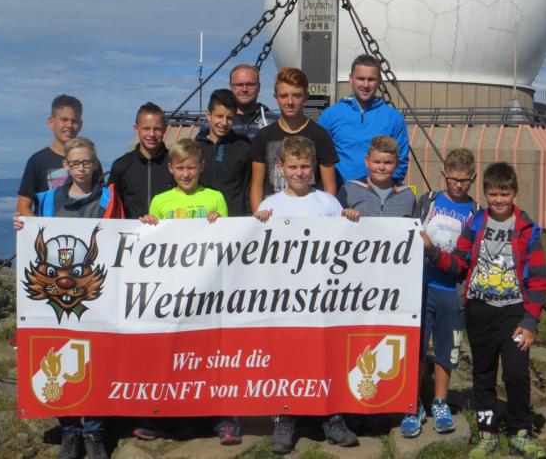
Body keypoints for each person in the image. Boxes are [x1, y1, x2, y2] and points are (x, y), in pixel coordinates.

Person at [424, 162, 546, 459]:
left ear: (515, 193)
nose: (498, 200)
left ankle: (520, 431)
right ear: (485, 194)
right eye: (493, 194)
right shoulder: (476, 223)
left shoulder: (527, 229)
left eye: (504, 194)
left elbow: (539, 279)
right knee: (483, 374)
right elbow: (459, 263)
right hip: (479, 311)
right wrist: (433, 251)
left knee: (516, 373)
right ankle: (487, 432)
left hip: (514, 314)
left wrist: (530, 321)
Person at [254, 136, 359, 454]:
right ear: (280, 167)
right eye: (292, 167)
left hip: (323, 298)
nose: (299, 172)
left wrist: (351, 221)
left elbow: (347, 243)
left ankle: (332, 417)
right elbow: (256, 251)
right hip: (283, 301)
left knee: (326, 355)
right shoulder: (269, 205)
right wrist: (258, 223)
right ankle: (284, 419)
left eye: (304, 166)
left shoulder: (327, 202)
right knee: (286, 357)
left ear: (314, 166)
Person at [13, 137, 113, 459]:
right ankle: (71, 430)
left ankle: (94, 431)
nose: (82, 168)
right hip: (55, 298)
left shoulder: (110, 197)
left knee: (99, 360)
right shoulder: (47, 199)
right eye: (76, 163)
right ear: (66, 166)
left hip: (96, 294)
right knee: (58, 357)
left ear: (95, 164)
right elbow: (33, 232)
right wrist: (22, 225)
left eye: (87, 162)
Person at [139, 138, 238, 445]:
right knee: (171, 356)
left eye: (191, 168)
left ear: (201, 167)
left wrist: (219, 223)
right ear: (170, 168)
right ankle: (160, 417)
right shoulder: (160, 201)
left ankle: (226, 419)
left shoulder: (215, 197)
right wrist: (148, 224)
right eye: (180, 168)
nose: (186, 173)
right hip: (172, 294)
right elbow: (150, 248)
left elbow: (228, 240)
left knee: (214, 357)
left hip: (209, 293)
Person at [399, 148, 479, 438]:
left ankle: (440, 402)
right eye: (453, 179)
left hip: (452, 291)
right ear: (444, 175)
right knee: (417, 347)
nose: (458, 185)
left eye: (464, 180)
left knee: (446, 349)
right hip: (422, 286)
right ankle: (413, 404)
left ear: (473, 178)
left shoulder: (476, 212)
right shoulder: (428, 201)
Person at [250, 67, 338, 211]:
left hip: (311, 213)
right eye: (284, 96)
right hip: (273, 215)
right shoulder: (263, 137)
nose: (290, 102)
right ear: (276, 98)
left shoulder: (320, 135)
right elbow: (256, 186)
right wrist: (258, 218)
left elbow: (330, 187)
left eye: (296, 95)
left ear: (306, 96)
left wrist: (326, 217)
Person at [318, 54, 409, 186]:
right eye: (360, 78)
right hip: (340, 194)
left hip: (379, 194)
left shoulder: (394, 118)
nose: (365, 85)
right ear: (351, 79)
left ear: (379, 81)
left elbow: (401, 159)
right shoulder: (330, 115)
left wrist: (384, 190)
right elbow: (319, 157)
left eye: (371, 79)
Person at [17, 94, 103, 216]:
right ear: (51, 122)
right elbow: (23, 207)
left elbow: (100, 199)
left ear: (80, 125)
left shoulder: (90, 161)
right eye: (64, 120)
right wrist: (41, 227)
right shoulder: (37, 161)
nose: (69, 125)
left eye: (74, 121)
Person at [108, 102, 173, 219]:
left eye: (157, 129)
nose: (152, 134)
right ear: (136, 129)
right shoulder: (120, 165)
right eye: (146, 128)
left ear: (165, 129)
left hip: (169, 229)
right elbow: (108, 205)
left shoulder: (176, 164)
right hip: (132, 230)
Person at [196, 89, 252, 216]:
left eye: (230, 118)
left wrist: (249, 218)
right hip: (202, 221)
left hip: (234, 221)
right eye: (219, 116)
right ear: (208, 115)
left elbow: (249, 188)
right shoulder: (195, 148)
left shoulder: (243, 147)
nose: (224, 123)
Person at [335, 135, 417, 218]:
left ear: (397, 163)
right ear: (367, 161)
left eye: (388, 162)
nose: (381, 168)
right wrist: (345, 215)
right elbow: (334, 220)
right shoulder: (349, 190)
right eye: (376, 162)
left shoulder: (407, 195)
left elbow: (416, 224)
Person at [229, 63, 279, 139]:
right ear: (230, 87)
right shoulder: (218, 123)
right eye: (239, 85)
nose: (244, 89)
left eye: (250, 84)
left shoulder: (275, 122)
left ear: (259, 87)